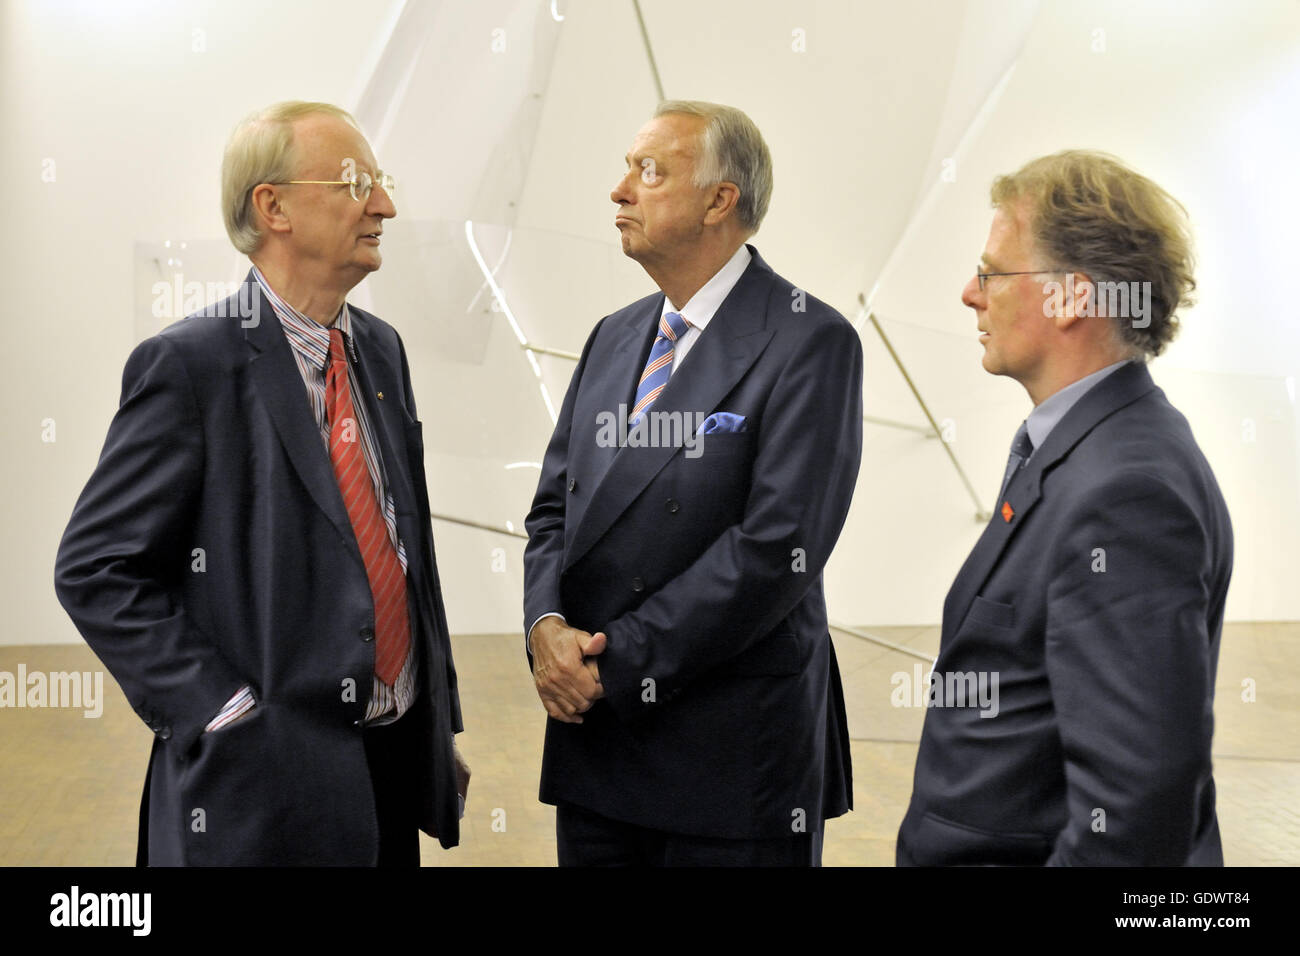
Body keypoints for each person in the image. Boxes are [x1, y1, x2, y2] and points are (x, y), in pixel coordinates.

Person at [54, 101, 467, 866]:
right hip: (258, 795)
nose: (385, 204)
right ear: (270, 206)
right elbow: (95, 569)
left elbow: (405, 548)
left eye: (381, 182)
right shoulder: (189, 367)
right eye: (354, 182)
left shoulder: (381, 352)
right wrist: (219, 710)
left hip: (384, 775)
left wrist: (432, 723)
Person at [523, 100, 862, 866]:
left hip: (730, 758)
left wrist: (613, 662)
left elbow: (777, 550)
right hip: (596, 744)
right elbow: (552, 510)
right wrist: (545, 630)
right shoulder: (613, 336)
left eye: (648, 171)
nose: (619, 190)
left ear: (720, 200)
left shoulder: (810, 339)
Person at [898, 150, 1232, 866]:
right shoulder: (1084, 450)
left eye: (992, 272)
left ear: (1072, 297)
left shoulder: (1126, 493)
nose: (969, 292)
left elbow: (1135, 814)